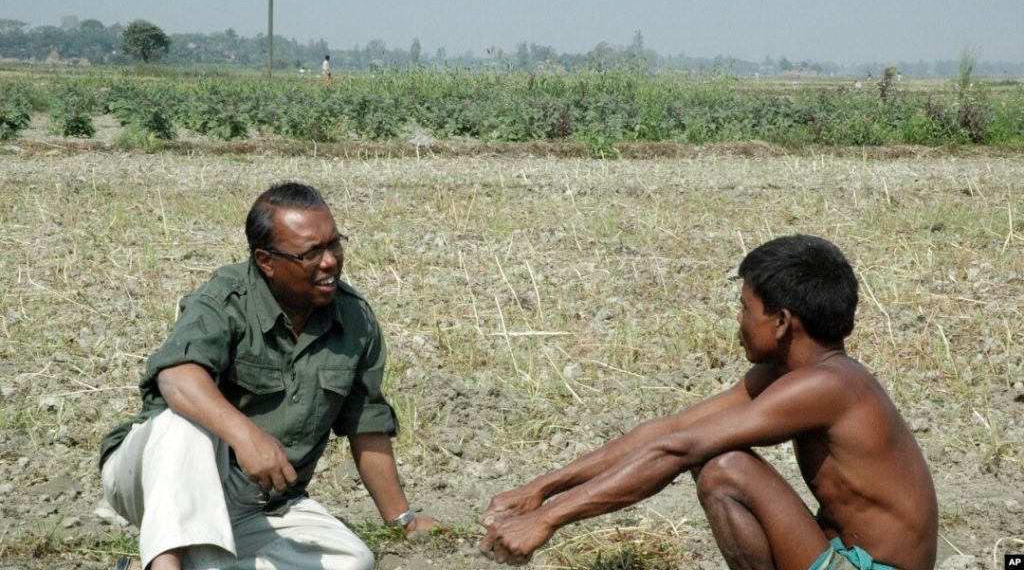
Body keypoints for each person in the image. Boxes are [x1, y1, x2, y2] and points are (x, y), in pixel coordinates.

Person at [480, 234, 937, 570]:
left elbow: (678, 450)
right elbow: (668, 431)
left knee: (725, 467)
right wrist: (539, 489)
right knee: (714, 456)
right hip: (836, 553)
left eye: (744, 308)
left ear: (780, 322)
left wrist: (548, 520)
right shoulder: (788, 374)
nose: (738, 321)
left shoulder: (826, 386)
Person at [99, 182, 438, 570]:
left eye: (334, 244)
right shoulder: (227, 300)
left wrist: (403, 521)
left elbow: (367, 424)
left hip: (259, 504)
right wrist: (245, 436)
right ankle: (165, 563)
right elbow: (177, 377)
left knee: (353, 561)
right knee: (184, 425)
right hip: (154, 477)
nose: (329, 261)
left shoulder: (354, 319)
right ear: (266, 261)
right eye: (311, 253)